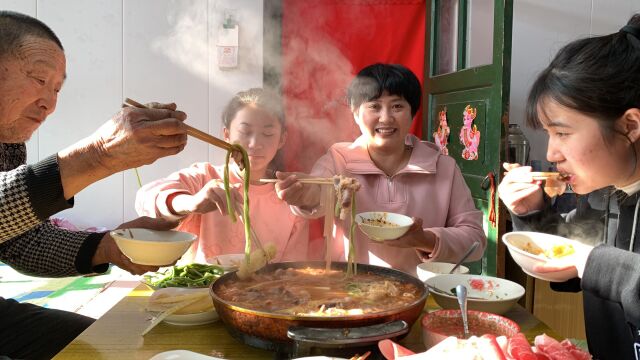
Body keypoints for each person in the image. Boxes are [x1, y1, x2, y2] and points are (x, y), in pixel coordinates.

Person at [0, 11, 189, 359]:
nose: (50, 103)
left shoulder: (8, 143)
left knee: (106, 343)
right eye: (39, 79)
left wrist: (108, 246)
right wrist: (99, 155)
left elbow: (17, 242)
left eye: (57, 88)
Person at [497, 14, 640, 360]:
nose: (550, 153)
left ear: (630, 125)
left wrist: (590, 261)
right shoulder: (602, 196)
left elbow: (590, 262)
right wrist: (532, 212)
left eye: (562, 133)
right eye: (548, 134)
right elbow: (569, 260)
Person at [274, 63, 486, 275]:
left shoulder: (442, 167)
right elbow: (319, 191)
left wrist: (425, 240)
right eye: (374, 106)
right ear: (356, 113)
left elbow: (475, 239)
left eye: (397, 106)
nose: (385, 118)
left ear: (412, 113)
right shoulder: (339, 159)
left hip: (424, 292)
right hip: (349, 290)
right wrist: (303, 193)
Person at [136, 88, 309, 263]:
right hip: (202, 288)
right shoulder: (206, 178)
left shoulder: (290, 194)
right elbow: (144, 200)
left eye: (268, 134)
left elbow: (293, 270)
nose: (255, 143)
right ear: (226, 135)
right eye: (245, 132)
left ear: (281, 139)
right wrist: (192, 203)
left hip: (265, 289)